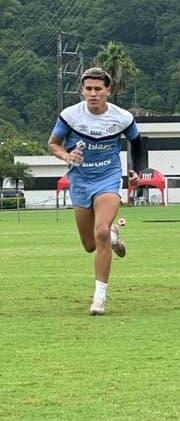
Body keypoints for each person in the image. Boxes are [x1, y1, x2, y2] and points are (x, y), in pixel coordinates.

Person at [48, 67, 144, 316]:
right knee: (90, 244)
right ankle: (112, 233)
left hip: (108, 179)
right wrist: (66, 155)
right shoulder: (70, 116)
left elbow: (137, 142)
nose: (92, 94)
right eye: (88, 89)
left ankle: (99, 298)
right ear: (82, 91)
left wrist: (137, 169)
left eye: (98, 89)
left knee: (99, 231)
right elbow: (53, 144)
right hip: (80, 181)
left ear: (107, 91)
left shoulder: (122, 118)